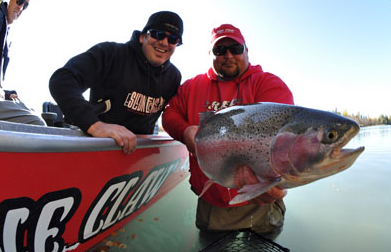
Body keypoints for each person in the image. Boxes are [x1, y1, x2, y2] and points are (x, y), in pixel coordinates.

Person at [162, 24, 294, 238]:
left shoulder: (268, 84)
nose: (228, 55)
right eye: (220, 50)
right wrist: (185, 132)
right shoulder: (191, 86)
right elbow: (169, 113)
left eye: (235, 48)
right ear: (211, 55)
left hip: (260, 207)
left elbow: (281, 135)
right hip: (212, 205)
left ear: (246, 50)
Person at [49, 11, 183, 154]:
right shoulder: (111, 54)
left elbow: (174, 115)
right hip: (99, 148)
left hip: (138, 156)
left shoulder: (173, 77)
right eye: (158, 34)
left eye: (173, 39)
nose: (164, 42)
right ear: (142, 37)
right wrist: (94, 125)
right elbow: (62, 79)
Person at [0, 0, 46, 126]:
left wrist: (5, 93)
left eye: (25, 5)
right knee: (37, 125)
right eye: (19, 1)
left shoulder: (5, 28)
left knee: (32, 112)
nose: (20, 8)